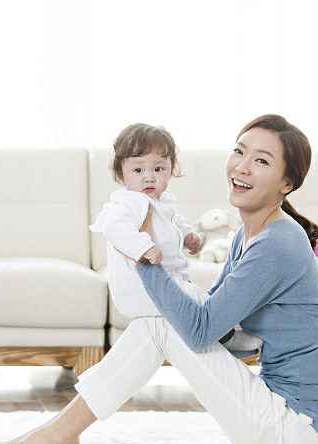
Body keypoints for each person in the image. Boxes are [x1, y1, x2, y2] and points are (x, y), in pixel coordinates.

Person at [0, 114, 318, 444]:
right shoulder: (249, 236)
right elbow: (221, 330)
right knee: (161, 322)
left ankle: (60, 434)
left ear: (286, 184)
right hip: (285, 416)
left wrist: (143, 253)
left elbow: (200, 331)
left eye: (261, 161)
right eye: (239, 151)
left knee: (161, 323)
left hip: (293, 429)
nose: (242, 167)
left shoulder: (278, 243)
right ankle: (61, 433)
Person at [87, 122, 263, 352]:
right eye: (138, 170)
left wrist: (188, 236)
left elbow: (175, 222)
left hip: (168, 284)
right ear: (121, 174)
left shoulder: (163, 202)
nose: (149, 177)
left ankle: (223, 333)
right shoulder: (126, 204)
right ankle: (227, 337)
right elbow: (115, 229)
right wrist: (143, 247)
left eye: (158, 169)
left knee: (197, 298)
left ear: (171, 169)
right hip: (140, 289)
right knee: (197, 300)